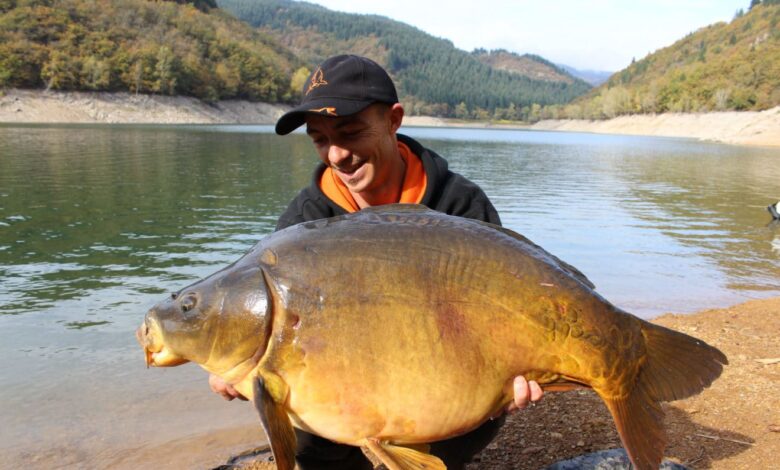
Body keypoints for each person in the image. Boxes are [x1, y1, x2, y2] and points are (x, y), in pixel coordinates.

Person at [209, 54, 543, 469]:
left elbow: (509, 303)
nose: (335, 155)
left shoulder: (458, 204)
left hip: (445, 387)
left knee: (469, 416)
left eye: (349, 132)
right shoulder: (304, 222)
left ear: (394, 119)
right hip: (344, 393)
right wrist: (232, 361)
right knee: (306, 434)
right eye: (318, 139)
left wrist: (519, 369)